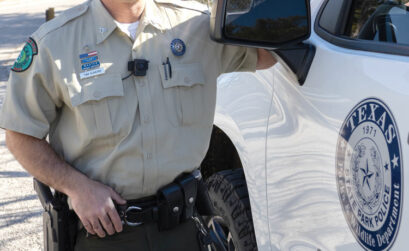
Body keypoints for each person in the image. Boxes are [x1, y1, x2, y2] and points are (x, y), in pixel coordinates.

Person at [0, 0, 275, 250]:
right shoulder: (54, 42)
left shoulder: (198, 26)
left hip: (185, 229)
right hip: (104, 234)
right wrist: (77, 187)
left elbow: (268, 55)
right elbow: (20, 134)